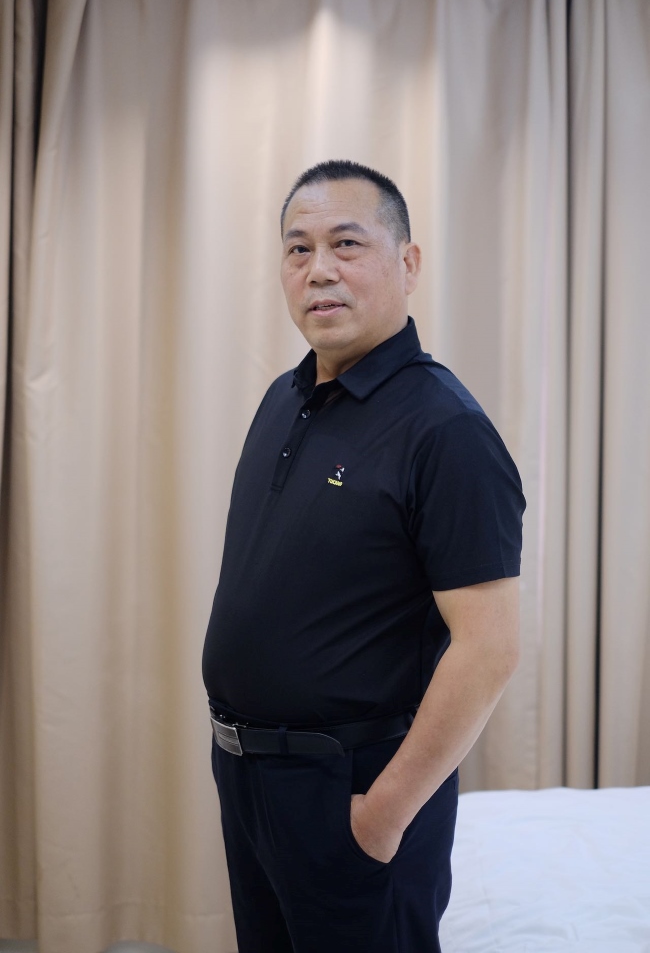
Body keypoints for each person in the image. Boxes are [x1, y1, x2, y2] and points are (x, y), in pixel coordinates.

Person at [202, 160, 525, 952]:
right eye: (298, 248)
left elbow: (489, 649)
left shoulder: (445, 429)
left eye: (347, 244)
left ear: (407, 263)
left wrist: (382, 815)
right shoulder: (284, 398)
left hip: (351, 788)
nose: (319, 270)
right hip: (250, 779)